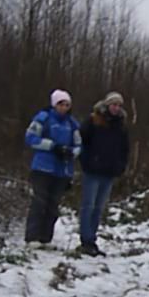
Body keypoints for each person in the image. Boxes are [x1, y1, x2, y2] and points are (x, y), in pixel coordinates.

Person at [23, 89, 81, 247]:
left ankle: (46, 237)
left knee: (53, 205)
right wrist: (52, 146)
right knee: (39, 202)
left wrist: (70, 152)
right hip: (43, 166)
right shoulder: (43, 118)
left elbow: (79, 145)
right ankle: (32, 236)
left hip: (62, 170)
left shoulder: (72, 123)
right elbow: (30, 138)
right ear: (55, 105)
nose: (64, 108)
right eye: (61, 104)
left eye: (67, 105)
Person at [77, 91, 129, 256]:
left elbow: (125, 149)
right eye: (114, 104)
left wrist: (121, 165)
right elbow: (80, 141)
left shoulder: (121, 125)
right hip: (92, 170)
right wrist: (86, 161)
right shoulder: (93, 120)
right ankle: (85, 239)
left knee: (98, 208)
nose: (116, 108)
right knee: (88, 206)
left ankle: (92, 238)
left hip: (109, 172)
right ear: (107, 105)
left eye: (119, 105)